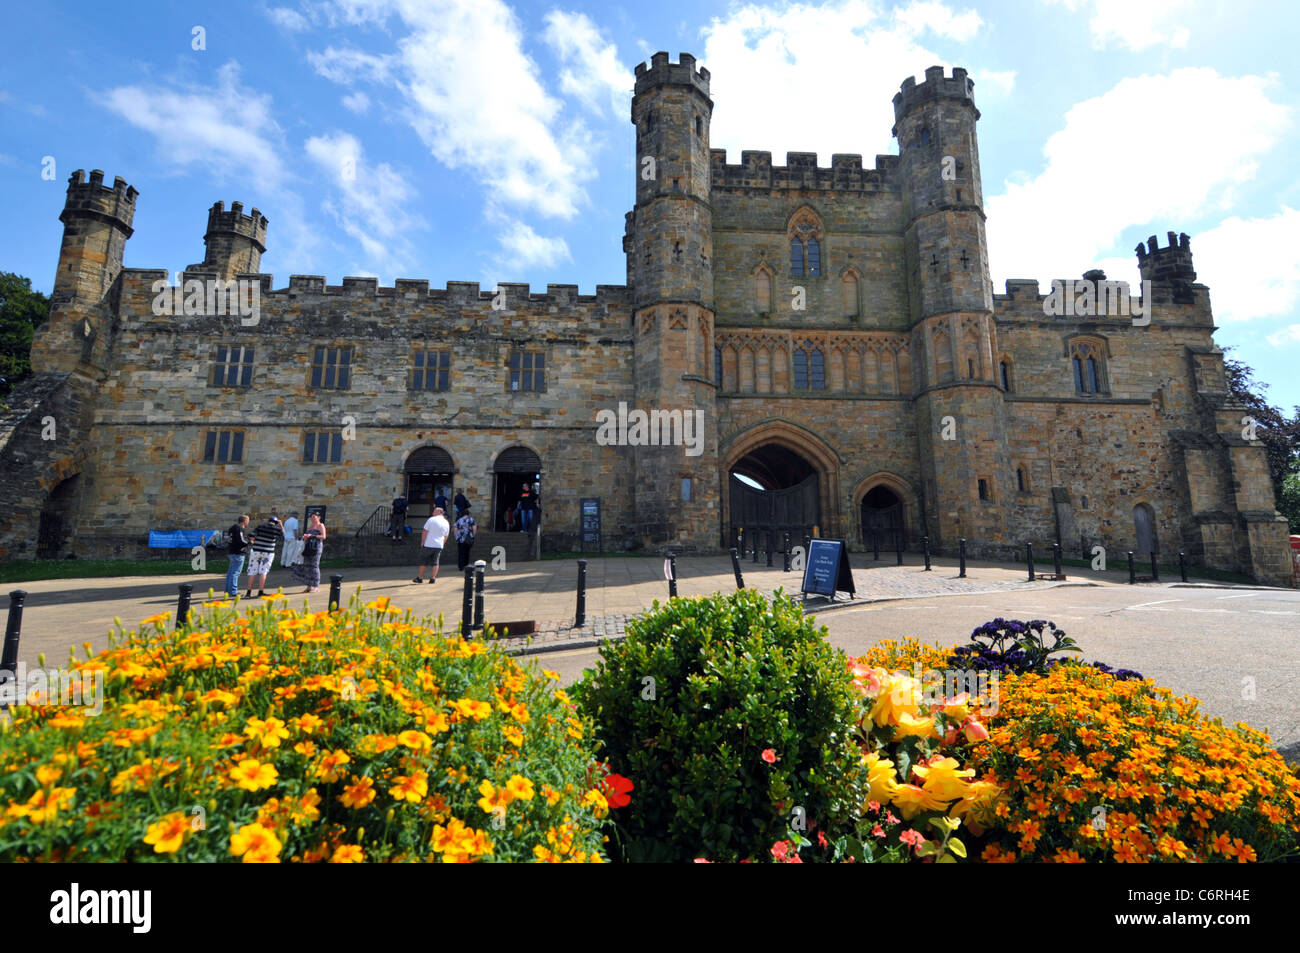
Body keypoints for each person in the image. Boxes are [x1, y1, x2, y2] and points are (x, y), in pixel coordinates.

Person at [246, 515, 284, 598]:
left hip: (256, 550)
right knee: (263, 572)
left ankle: (248, 593)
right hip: (268, 552)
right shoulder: (276, 529)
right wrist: (281, 525)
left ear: (268, 521)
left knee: (252, 571)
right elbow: (283, 534)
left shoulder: (260, 526)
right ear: (276, 523)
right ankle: (260, 591)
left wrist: (253, 542)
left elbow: (251, 535)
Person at [414, 506, 450, 584]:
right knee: (435, 562)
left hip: (429, 543)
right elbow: (446, 535)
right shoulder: (446, 522)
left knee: (423, 561)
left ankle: (420, 578)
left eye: (434, 511)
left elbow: (425, 531)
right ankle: (433, 578)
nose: (433, 512)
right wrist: (442, 543)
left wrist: (423, 542)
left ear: (439, 512)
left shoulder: (431, 520)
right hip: (439, 545)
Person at [292, 512, 326, 593]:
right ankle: (308, 586)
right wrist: (305, 537)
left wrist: (312, 536)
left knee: (314, 566)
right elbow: (306, 537)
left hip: (316, 547)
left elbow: (323, 536)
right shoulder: (310, 527)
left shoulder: (320, 525)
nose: (313, 518)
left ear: (319, 517)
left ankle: (316, 586)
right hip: (308, 547)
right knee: (307, 566)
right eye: (311, 517)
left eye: (314, 517)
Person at [225, 514, 250, 597]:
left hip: (232, 551)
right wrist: (249, 542)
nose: (248, 522)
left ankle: (228, 590)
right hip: (238, 552)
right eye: (248, 520)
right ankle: (233, 591)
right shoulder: (239, 528)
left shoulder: (232, 528)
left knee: (231, 572)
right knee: (235, 573)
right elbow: (241, 540)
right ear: (244, 521)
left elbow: (228, 539)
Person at [454, 505, 477, 571]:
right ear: (468, 514)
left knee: (461, 552)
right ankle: (466, 565)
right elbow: (474, 528)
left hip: (460, 539)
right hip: (468, 538)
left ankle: (461, 566)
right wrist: (473, 536)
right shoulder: (471, 519)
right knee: (467, 552)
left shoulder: (459, 520)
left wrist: (456, 537)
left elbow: (455, 529)